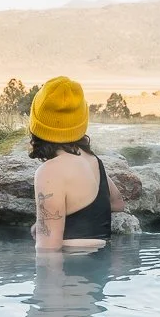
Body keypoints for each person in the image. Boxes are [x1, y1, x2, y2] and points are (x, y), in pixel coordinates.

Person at [28, 76, 125, 252]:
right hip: (100, 268)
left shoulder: (50, 172)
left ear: (37, 124)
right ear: (81, 121)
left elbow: (48, 250)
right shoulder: (94, 161)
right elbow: (118, 203)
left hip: (71, 270)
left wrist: (48, 224)